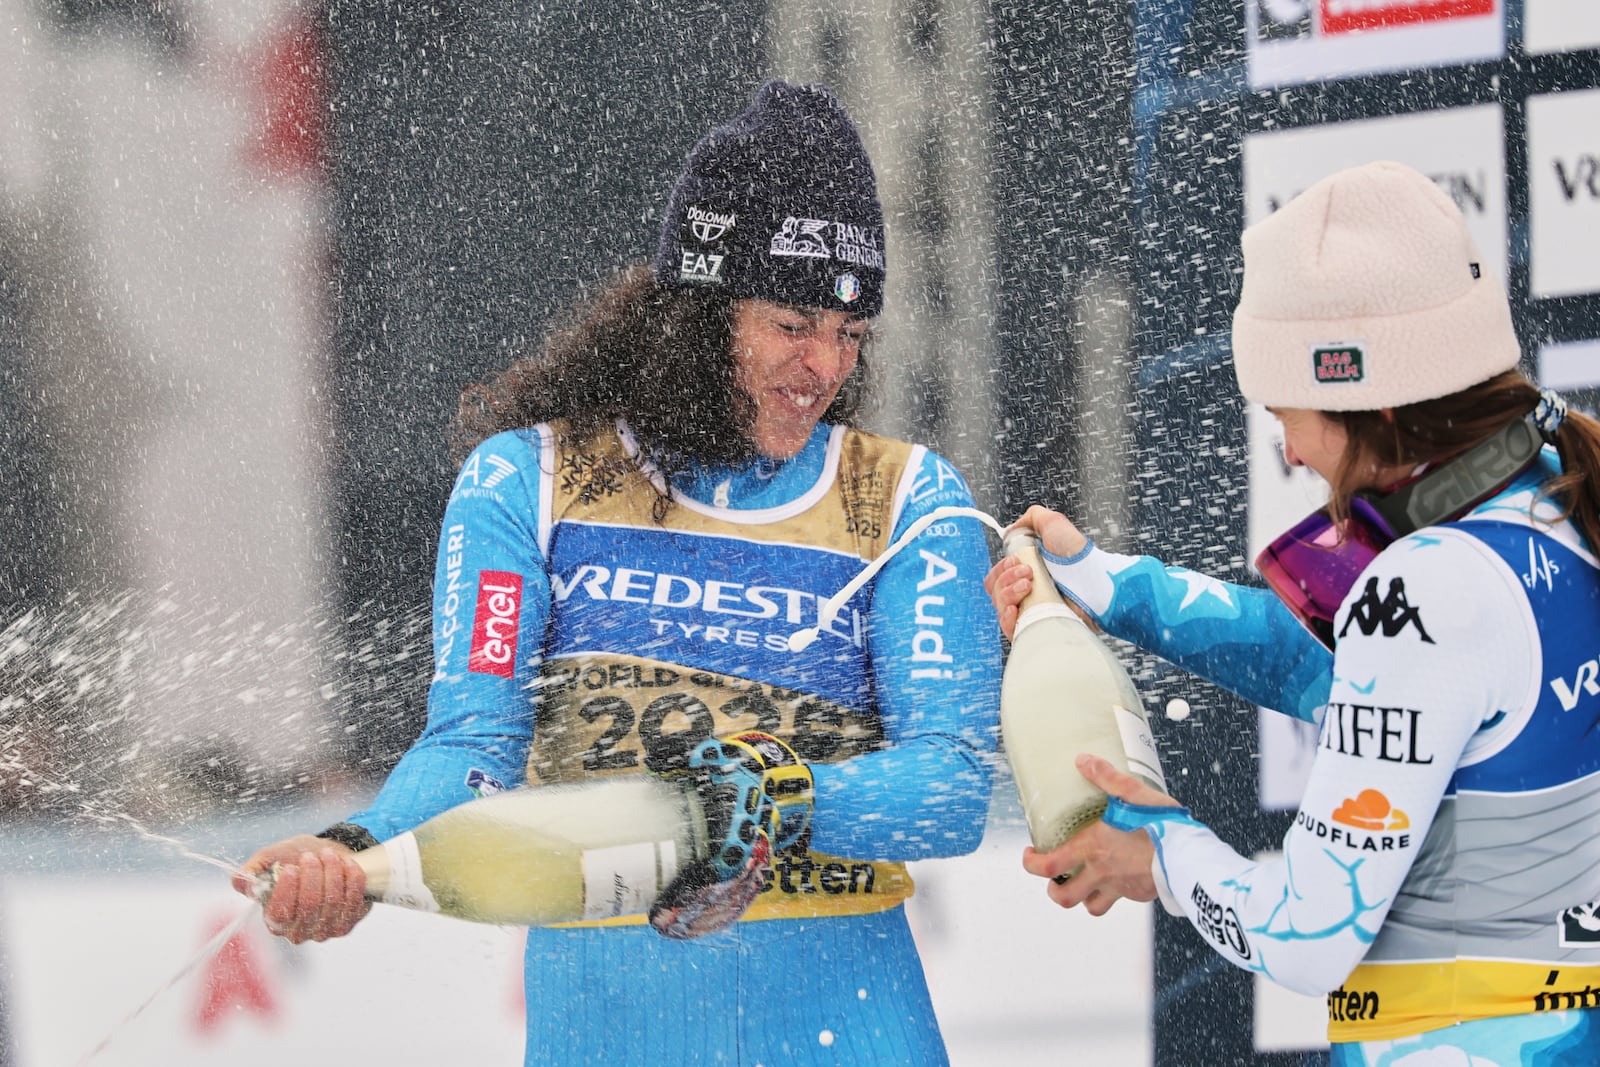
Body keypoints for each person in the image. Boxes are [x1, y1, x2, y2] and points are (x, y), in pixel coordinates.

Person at [233, 79, 1002, 1065]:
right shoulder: (530, 481)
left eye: (849, 333)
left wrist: (782, 796)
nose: (823, 366)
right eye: (790, 324)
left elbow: (949, 787)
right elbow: (473, 748)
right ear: (699, 307)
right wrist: (356, 849)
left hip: (848, 1028)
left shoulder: (907, 500)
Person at [986, 160, 1600, 1063]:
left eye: (1290, 411)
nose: (1289, 445)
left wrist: (1161, 847)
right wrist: (1107, 583)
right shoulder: (1551, 493)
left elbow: (1311, 935)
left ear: (1370, 395)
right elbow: (1348, 671)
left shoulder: (1432, 584)